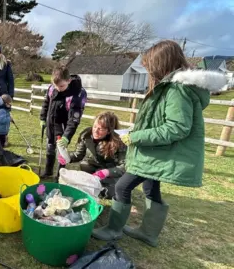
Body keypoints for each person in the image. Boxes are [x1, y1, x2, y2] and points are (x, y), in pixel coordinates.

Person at [92, 40, 227, 247]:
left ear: (162, 64)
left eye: (150, 66)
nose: (148, 71)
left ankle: (113, 229)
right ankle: (148, 233)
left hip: (156, 152)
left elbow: (177, 127)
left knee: (122, 187)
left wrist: (136, 137)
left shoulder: (176, 90)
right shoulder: (171, 87)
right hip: (157, 152)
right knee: (150, 188)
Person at [58, 111, 126, 199]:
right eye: (94, 126)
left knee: (114, 191)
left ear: (109, 131)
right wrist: (67, 158)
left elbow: (124, 166)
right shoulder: (86, 135)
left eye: (101, 129)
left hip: (109, 173)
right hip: (90, 170)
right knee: (83, 169)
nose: (95, 131)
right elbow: (78, 155)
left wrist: (106, 172)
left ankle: (102, 189)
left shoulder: (119, 141)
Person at [40, 68, 87, 180]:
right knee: (50, 146)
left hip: (63, 127)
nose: (58, 89)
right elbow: (46, 102)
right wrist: (42, 117)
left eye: (61, 86)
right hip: (51, 123)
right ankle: (48, 171)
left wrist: (66, 137)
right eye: (56, 86)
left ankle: (60, 175)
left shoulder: (77, 94)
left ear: (69, 80)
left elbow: (74, 119)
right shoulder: (52, 88)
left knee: (61, 151)